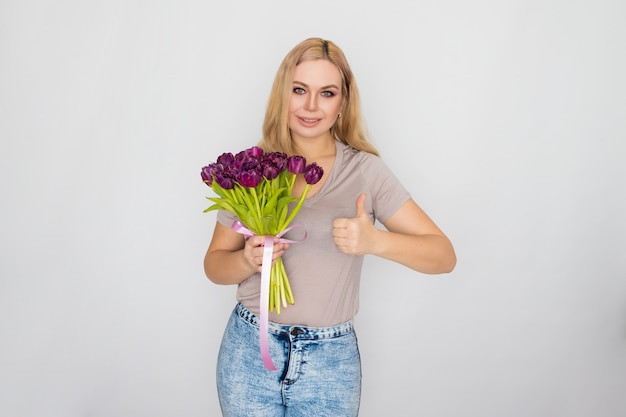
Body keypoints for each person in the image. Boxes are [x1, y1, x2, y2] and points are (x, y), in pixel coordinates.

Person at [203, 37, 456, 417]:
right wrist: (248, 262)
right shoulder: (250, 170)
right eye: (299, 89)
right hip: (249, 352)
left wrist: (375, 241)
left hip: (331, 362)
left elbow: (443, 256)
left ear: (343, 103)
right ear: (282, 94)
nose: (310, 106)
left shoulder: (366, 171)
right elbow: (214, 265)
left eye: (327, 93)